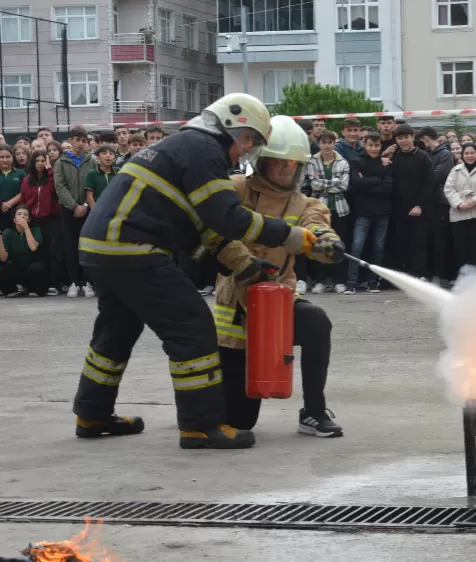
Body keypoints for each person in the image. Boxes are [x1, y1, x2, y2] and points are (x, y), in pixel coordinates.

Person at [71, 93, 317, 450]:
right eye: (247, 140)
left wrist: (244, 266)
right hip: (134, 248)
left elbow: (201, 226)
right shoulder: (204, 150)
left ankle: (91, 413)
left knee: (116, 330)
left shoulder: (183, 146)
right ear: (231, 126)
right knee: (193, 329)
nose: (245, 150)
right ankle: (200, 426)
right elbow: (227, 216)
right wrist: (290, 235)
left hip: (101, 248)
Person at [213, 115, 346, 438]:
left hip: (278, 299)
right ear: (262, 162)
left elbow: (316, 225)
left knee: (317, 322)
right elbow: (213, 229)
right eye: (280, 163)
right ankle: (204, 408)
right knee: (240, 422)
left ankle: (313, 411)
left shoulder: (304, 202)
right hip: (236, 307)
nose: (288, 169)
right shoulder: (236, 188)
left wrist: (325, 243)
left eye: (294, 164)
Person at [345, 132, 394, 295]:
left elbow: (388, 187)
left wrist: (366, 183)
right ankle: (351, 282)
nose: (374, 148)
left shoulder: (386, 164)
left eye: (377, 145)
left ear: (381, 146)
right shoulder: (357, 162)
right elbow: (355, 183)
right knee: (357, 246)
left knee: (378, 248)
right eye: (371, 145)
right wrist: (376, 180)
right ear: (365, 145)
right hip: (362, 211)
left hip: (382, 211)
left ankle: (373, 281)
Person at [53, 127, 97, 298]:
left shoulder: (91, 161)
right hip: (68, 211)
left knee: (87, 246)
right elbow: (60, 187)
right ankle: (74, 282)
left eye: (83, 140)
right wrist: (74, 206)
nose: (80, 143)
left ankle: (87, 282)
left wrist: (85, 205)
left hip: (87, 209)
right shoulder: (61, 162)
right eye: (77, 140)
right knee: (71, 246)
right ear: (70, 141)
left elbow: (93, 186)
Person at [306, 130, 351, 294]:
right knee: (319, 245)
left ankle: (339, 280)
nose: (327, 145)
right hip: (319, 210)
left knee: (339, 245)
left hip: (339, 209)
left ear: (334, 143)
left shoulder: (343, 162)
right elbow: (313, 185)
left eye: (330, 142)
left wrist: (323, 183)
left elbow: (343, 186)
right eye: (324, 142)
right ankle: (320, 280)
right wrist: (333, 182)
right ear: (319, 144)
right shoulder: (312, 162)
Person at [390, 124, 434, 280]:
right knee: (401, 242)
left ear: (413, 137)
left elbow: (429, 183)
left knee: (418, 243)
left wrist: (419, 205)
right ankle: (406, 274)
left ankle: (419, 273)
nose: (403, 141)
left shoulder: (423, 157)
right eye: (400, 138)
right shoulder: (395, 157)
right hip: (399, 208)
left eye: (406, 137)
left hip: (419, 209)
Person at [20, 150, 62, 295]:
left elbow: (58, 188)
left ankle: (54, 284)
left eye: (43, 161)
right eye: (37, 161)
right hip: (33, 221)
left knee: (53, 252)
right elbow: (24, 200)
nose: (40, 164)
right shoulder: (27, 180)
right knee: (39, 252)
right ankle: (40, 284)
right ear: (33, 162)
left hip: (51, 220)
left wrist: (50, 170)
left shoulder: (51, 178)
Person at [444, 143, 476, 271]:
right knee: (461, 249)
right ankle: (462, 278)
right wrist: (459, 203)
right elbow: (448, 189)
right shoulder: (456, 170)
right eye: (466, 153)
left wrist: (475, 201)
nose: (469, 156)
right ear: (462, 155)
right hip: (459, 215)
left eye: (472, 153)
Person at [415, 127, 454, 284]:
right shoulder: (427, 155)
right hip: (426, 204)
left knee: (439, 241)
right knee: (427, 240)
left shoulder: (445, 155)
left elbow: (436, 176)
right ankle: (428, 272)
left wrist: (422, 177)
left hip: (440, 203)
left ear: (425, 139)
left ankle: (439, 274)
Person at [0, 205, 46, 297]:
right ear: (14, 219)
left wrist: (26, 227)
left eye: (25, 215)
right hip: (16, 269)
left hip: (30, 269)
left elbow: (33, 247)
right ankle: (11, 290)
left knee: (37, 267)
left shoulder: (35, 230)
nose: (22, 216)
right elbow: (3, 258)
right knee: (5, 268)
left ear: (29, 219)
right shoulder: (8, 232)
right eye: (19, 214)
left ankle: (35, 289)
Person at [0, 145, 27, 232]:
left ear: (13, 157)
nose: (5, 160)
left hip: (16, 213)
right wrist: (1, 204)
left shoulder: (20, 173)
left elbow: (25, 191)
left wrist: (10, 203)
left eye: (8, 157)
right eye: (1, 157)